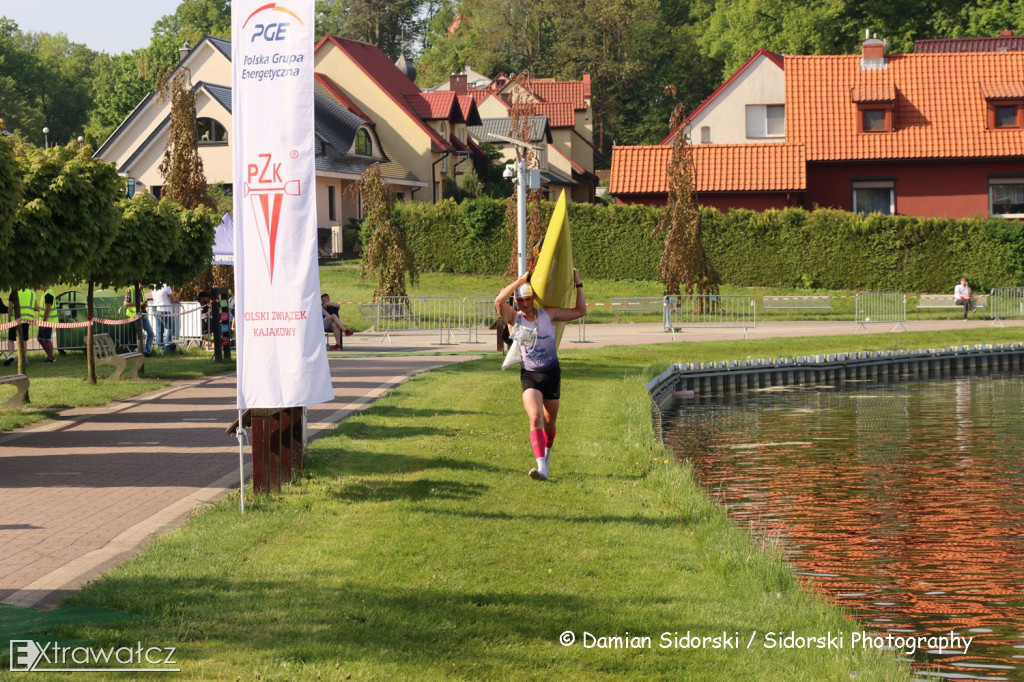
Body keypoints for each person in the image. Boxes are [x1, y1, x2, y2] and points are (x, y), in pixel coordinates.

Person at [495, 268, 586, 481]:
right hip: (530, 375)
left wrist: (578, 284)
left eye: (528, 299)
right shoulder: (514, 318)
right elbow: (499, 301)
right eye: (520, 300)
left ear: (533, 298)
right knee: (534, 417)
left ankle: (546, 457)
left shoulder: (549, 314)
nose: (525, 304)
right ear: (516, 301)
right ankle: (541, 467)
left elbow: (580, 311)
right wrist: (520, 280)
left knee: (549, 424)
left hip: (551, 374)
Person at [4, 289, 35, 367]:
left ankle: (11, 355)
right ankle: (23, 357)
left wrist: (9, 319)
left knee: (11, 339)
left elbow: (10, 308)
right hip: (26, 319)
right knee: (24, 339)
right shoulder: (31, 292)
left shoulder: (14, 292)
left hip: (15, 319)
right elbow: (36, 306)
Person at [124, 283, 154, 356]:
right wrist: (138, 304)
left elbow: (144, 301)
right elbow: (125, 304)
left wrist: (144, 304)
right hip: (134, 315)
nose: (143, 285)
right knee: (141, 334)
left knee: (151, 333)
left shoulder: (142, 290)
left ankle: (148, 350)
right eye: (142, 283)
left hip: (143, 314)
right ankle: (143, 351)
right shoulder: (130, 290)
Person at [150, 283, 179, 352]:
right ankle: (167, 346)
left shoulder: (154, 285)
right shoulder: (166, 286)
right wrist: (177, 299)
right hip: (164, 310)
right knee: (170, 329)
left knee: (159, 329)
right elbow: (173, 299)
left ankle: (160, 347)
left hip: (156, 309)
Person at [36, 287, 57, 363]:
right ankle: (50, 356)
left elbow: (48, 309)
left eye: (41, 284)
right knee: (40, 339)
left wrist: (44, 322)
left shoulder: (48, 294)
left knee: (46, 340)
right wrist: (39, 308)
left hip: (47, 321)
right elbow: (45, 308)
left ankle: (51, 358)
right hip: (43, 321)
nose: (39, 286)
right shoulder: (45, 293)